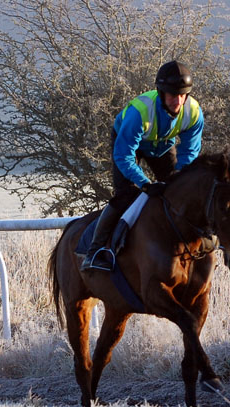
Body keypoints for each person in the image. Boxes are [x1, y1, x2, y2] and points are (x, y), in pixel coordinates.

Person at [83, 60, 204, 271]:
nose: (178, 100)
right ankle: (94, 252)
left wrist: (180, 176)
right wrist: (145, 184)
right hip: (129, 146)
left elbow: (189, 152)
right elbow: (123, 156)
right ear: (161, 92)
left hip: (162, 145)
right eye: (172, 95)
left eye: (183, 95)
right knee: (126, 196)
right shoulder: (139, 113)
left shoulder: (194, 112)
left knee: (179, 190)